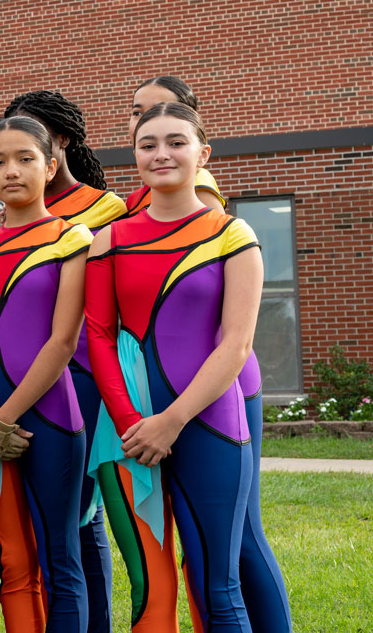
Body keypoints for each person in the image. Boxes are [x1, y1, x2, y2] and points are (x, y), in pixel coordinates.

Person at [86, 102, 286, 631]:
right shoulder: (109, 240)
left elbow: (235, 345)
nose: (161, 154)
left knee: (216, 586)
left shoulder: (231, 235)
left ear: (204, 153)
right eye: (148, 144)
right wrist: (131, 423)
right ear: (135, 156)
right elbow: (99, 337)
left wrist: (169, 422)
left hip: (210, 424)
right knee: (150, 585)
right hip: (129, 432)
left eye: (176, 142)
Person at [0, 116, 91, 633]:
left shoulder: (72, 237)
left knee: (60, 559)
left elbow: (63, 342)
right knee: (12, 561)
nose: (12, 171)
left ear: (51, 166)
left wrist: (2, 418)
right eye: (0, 162)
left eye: (26, 159)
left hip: (50, 417)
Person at [4, 89, 125, 631]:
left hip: (79, 380)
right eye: (2, 155)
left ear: (59, 146)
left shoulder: (104, 209)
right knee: (45, 527)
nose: (14, 162)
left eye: (29, 146)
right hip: (16, 383)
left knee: (81, 518)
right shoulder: (1, 218)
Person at [124, 77, 226, 217]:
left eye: (158, 109)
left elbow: (215, 231)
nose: (145, 120)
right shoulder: (134, 199)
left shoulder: (197, 180)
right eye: (137, 113)